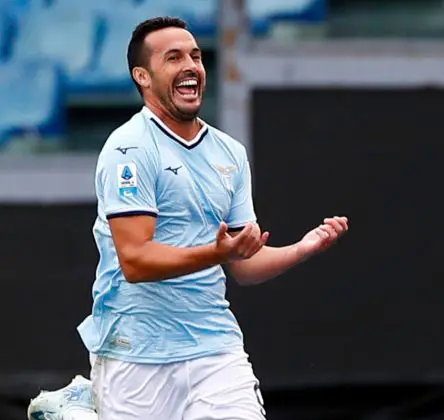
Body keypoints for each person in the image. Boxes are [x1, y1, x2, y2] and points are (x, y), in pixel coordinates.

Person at [27, 16, 349, 420]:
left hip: (215, 348)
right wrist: (215, 253)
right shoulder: (128, 149)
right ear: (142, 76)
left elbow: (243, 266)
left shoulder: (230, 152)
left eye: (196, 56)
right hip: (135, 351)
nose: (191, 65)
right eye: (174, 57)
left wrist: (302, 248)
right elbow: (136, 261)